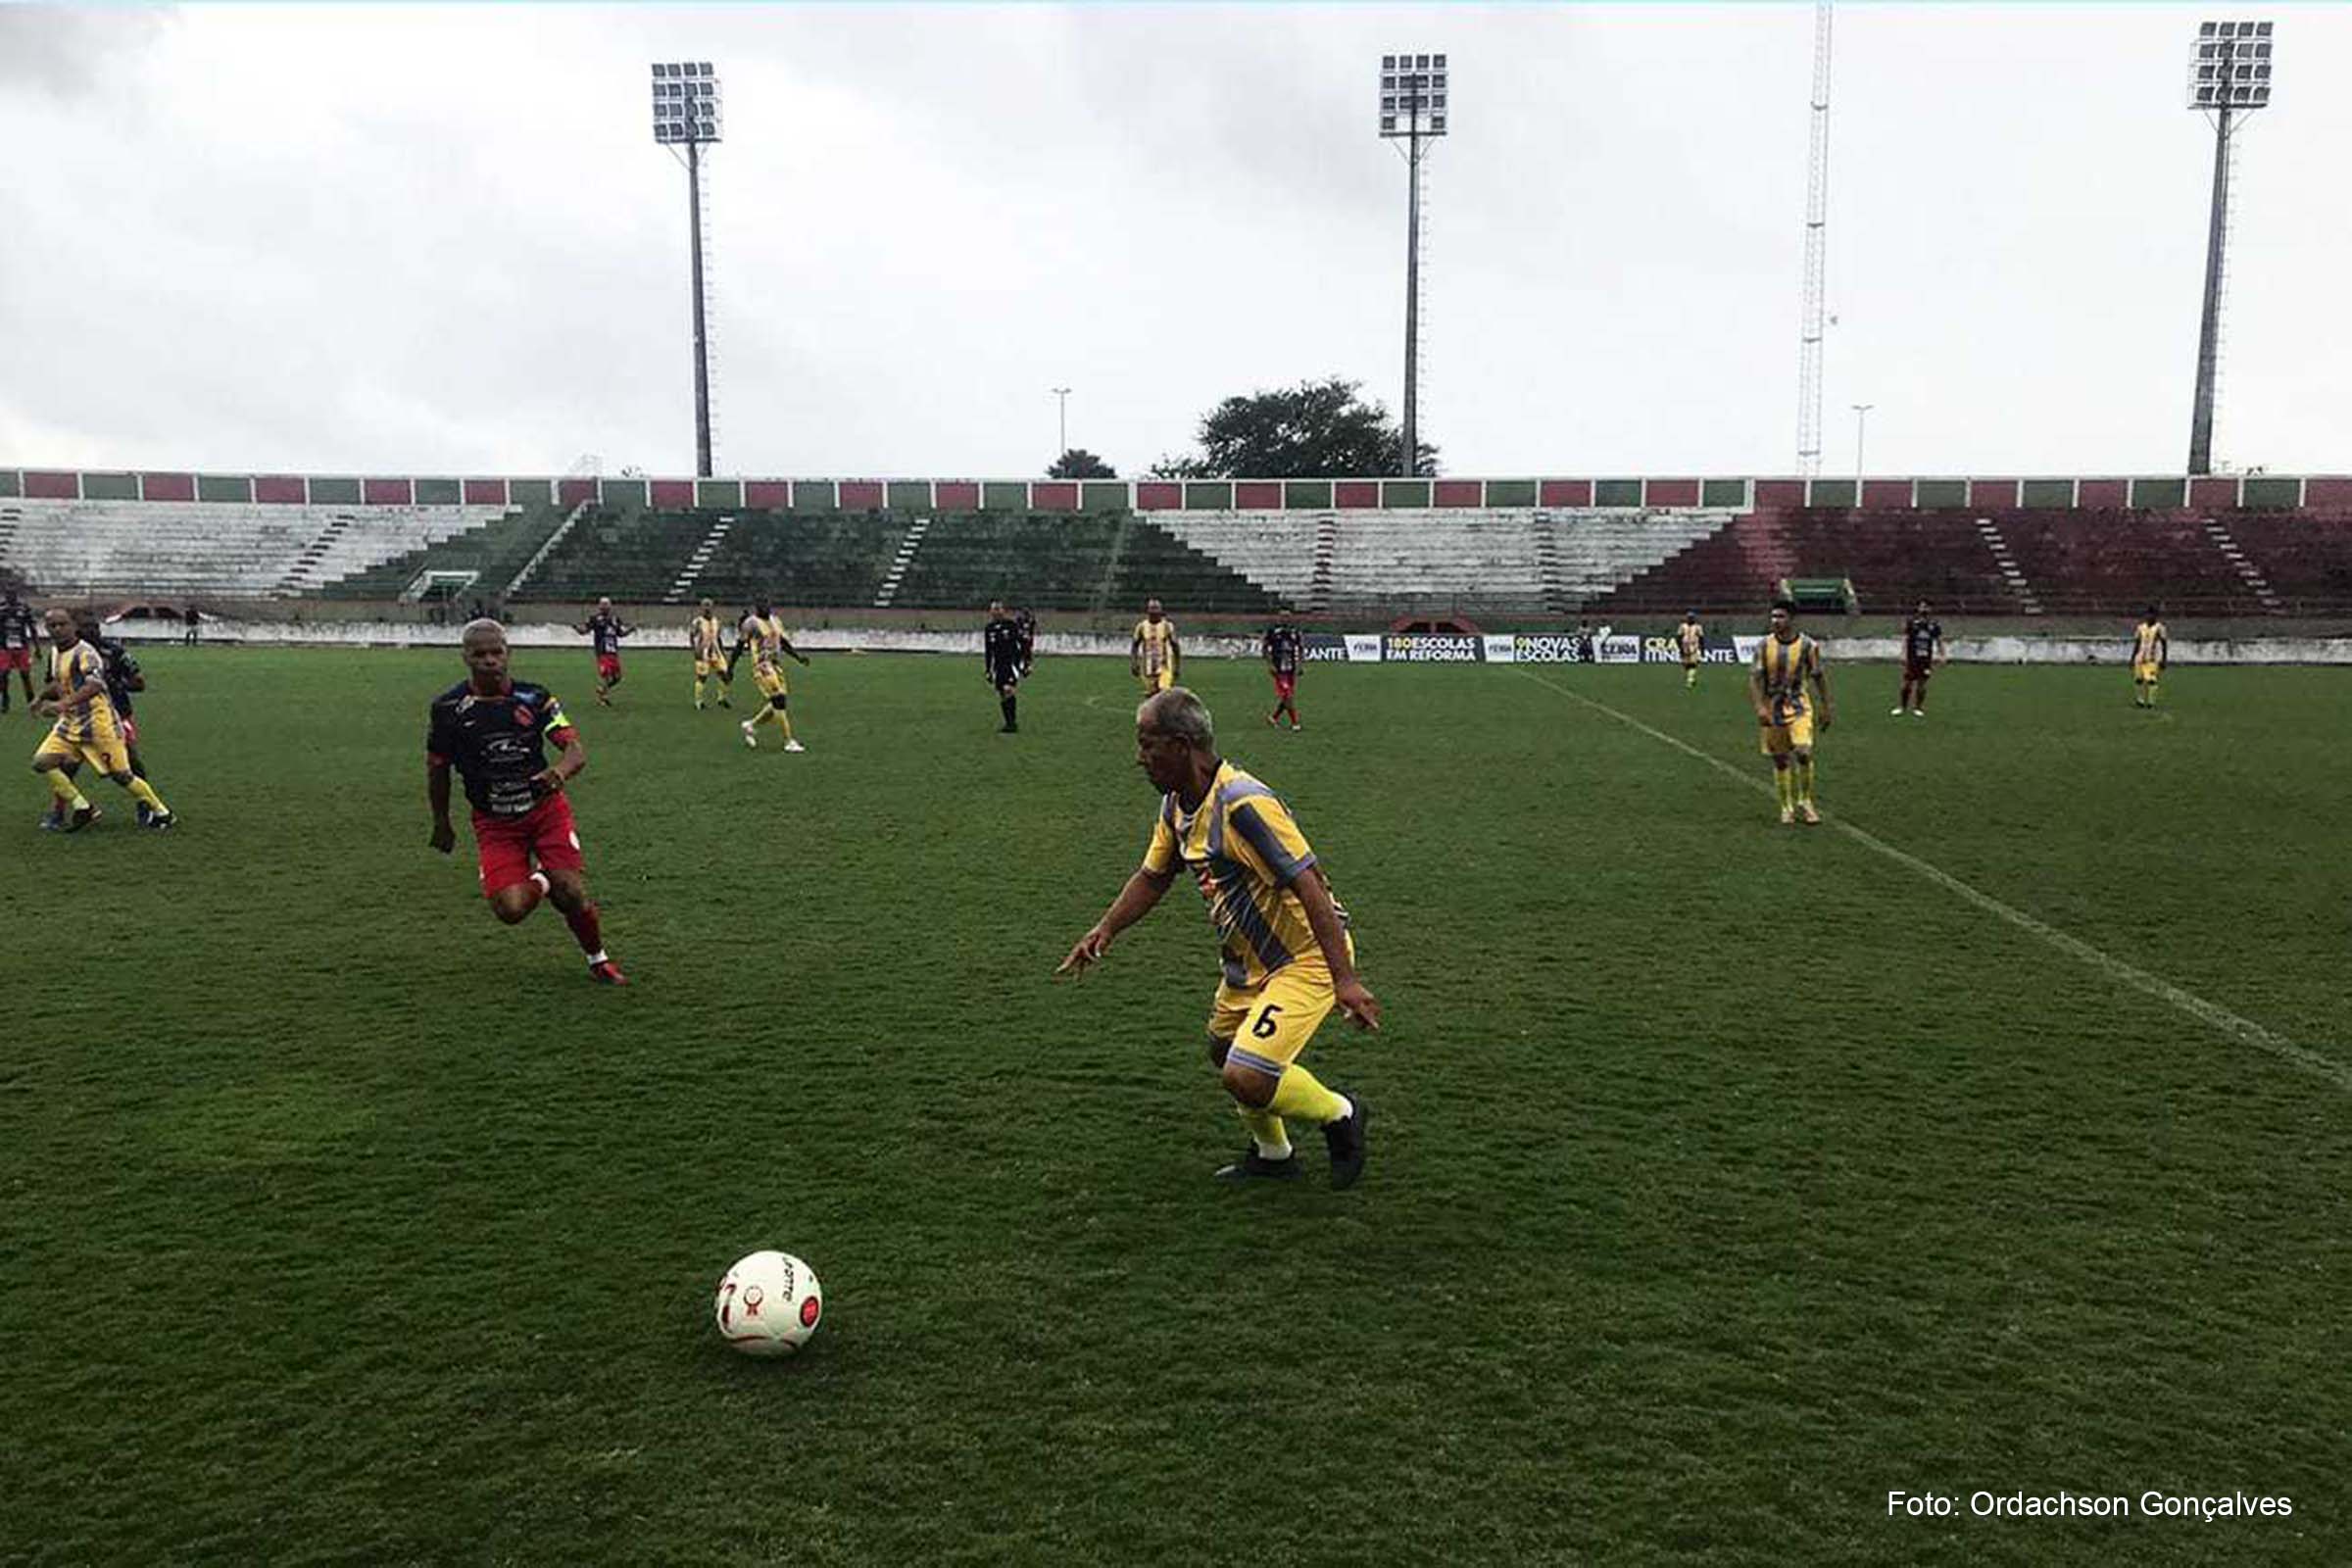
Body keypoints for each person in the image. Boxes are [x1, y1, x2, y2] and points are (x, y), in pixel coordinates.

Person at [1055, 687, 1379, 1188]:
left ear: (1183, 745)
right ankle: (1274, 1156)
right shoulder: (1176, 806)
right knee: (1224, 1053)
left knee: (1246, 1074)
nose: (1140, 757)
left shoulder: (1243, 803)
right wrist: (1105, 929)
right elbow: (1154, 876)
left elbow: (1308, 882)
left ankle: (1341, 1113)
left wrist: (1345, 979)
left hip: (1304, 958)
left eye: (1148, 744)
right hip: (1248, 965)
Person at [425, 618, 624, 984]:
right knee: (510, 909)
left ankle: (598, 959)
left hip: (544, 813)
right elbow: (437, 768)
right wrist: (441, 821)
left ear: (508, 654)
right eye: (479, 654)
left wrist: (559, 773)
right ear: (464, 657)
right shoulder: (447, 709)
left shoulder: (535, 698)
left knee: (574, 894)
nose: (489, 660)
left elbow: (575, 750)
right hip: (494, 822)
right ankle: (544, 880)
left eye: (496, 652)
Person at [30, 607, 173, 832]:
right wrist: (40, 698)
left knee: (123, 772)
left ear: (73, 627)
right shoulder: (56, 652)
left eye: (62, 624)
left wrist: (63, 703)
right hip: (71, 721)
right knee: (45, 762)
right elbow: (59, 682)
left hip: (102, 722)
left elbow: (98, 684)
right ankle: (78, 808)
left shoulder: (93, 652)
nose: (57, 629)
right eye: (52, 626)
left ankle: (157, 810)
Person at [1750, 597, 1833, 827]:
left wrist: (1827, 707)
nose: (1775, 620)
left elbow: (1818, 677)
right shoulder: (1764, 646)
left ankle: (1805, 801)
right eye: (1773, 616)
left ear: (1792, 619)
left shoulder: (1808, 646)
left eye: (1781, 616)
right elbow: (1755, 679)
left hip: (1799, 706)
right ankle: (1786, 807)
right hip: (1773, 707)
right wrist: (1759, 707)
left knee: (1803, 751)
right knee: (1780, 760)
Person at [738, 600, 810, 752]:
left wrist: (798, 657)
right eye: (762, 606)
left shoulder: (775, 620)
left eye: (768, 605)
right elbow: (739, 646)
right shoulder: (751, 623)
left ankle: (751, 725)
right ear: (757, 608)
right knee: (779, 700)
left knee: (777, 703)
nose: (766, 608)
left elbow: (783, 642)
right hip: (762, 665)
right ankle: (788, 741)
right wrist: (730, 668)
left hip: (776, 665)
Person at [574, 597, 633, 706]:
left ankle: (602, 689)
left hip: (613, 651)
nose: (605, 606)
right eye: (603, 604)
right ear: (599, 606)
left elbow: (621, 633)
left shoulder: (615, 619)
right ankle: (603, 698)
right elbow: (585, 630)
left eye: (607, 604)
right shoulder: (595, 619)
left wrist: (630, 630)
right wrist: (578, 629)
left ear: (610, 606)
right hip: (602, 651)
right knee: (606, 674)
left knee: (617, 677)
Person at [1893, 601, 1945, 717]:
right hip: (1912, 657)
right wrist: (1903, 654)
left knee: (1922, 683)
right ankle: (1902, 707)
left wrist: (1942, 655)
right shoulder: (1911, 622)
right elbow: (1906, 639)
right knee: (1907, 683)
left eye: (1927, 607)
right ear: (1918, 608)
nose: (1924, 609)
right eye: (1922, 606)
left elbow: (1939, 641)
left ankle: (1918, 708)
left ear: (1930, 609)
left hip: (1926, 658)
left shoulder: (1934, 625)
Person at [984, 600, 1026, 733]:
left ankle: (1012, 723)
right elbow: (988, 651)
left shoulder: (1011, 625)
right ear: (990, 612)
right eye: (994, 609)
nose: (996, 611)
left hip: (1011, 663)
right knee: (1002, 693)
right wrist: (988, 670)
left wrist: (1026, 663)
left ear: (1003, 611)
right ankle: (1009, 723)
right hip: (998, 665)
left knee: (1008, 689)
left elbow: (1022, 644)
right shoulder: (989, 629)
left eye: (998, 609)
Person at [1262, 607, 1304, 730]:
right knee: (1287, 695)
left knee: (1287, 696)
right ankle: (1295, 722)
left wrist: (1300, 665)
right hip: (1279, 670)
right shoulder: (1273, 631)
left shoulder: (1295, 632)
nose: (1285, 618)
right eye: (1282, 616)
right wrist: (1270, 665)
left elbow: (1301, 648)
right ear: (1279, 618)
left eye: (1287, 616)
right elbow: (1265, 649)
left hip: (1291, 669)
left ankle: (1273, 717)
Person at [689, 598, 732, 710]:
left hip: (716, 653)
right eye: (705, 605)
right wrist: (695, 650)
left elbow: (718, 638)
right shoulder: (698, 621)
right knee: (702, 678)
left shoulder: (716, 621)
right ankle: (698, 702)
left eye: (709, 605)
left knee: (725, 675)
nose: (707, 608)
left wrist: (723, 652)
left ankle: (721, 699)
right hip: (703, 654)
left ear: (713, 607)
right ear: (701, 607)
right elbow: (692, 636)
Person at [1131, 598, 1180, 695]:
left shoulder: (1167, 626)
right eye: (1152, 608)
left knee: (1164, 692)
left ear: (1161, 611)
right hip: (1148, 669)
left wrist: (1177, 666)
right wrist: (1134, 663)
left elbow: (1175, 646)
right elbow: (1135, 645)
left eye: (1156, 608)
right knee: (1153, 695)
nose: (1154, 611)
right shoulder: (1141, 626)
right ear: (1147, 611)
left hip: (1165, 667)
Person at [0, 587, 36, 711]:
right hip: (5, 647)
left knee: (25, 675)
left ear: (16, 595)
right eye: (8, 594)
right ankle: (5, 702)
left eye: (13, 594)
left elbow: (32, 627)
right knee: (3, 675)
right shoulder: (2, 608)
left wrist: (37, 647)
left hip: (22, 647)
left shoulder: (24, 608)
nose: (10, 597)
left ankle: (31, 702)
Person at [2132, 606, 2169, 709]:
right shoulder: (2140, 627)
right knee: (2139, 680)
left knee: (2151, 680)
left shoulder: (2160, 628)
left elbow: (2164, 644)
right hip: (2140, 658)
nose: (2149, 616)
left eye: (2152, 614)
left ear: (2156, 616)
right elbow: (2137, 643)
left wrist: (2164, 659)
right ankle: (2140, 700)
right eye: (2148, 614)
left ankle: (2151, 702)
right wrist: (2132, 657)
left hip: (2152, 659)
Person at [1674, 611, 1706, 691]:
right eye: (1689, 618)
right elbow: (1678, 637)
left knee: (1693, 664)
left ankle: (1690, 680)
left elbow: (1701, 638)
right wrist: (1680, 647)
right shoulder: (1683, 626)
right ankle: (1690, 678)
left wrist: (1702, 649)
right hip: (1685, 647)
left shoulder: (1697, 627)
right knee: (1687, 665)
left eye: (1691, 618)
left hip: (1693, 647)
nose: (1690, 619)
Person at [1013, 606, 1037, 679]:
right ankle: (1021, 668)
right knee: (1020, 655)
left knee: (1027, 655)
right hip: (1021, 641)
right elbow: (1017, 630)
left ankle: (1026, 668)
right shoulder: (1019, 621)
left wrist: (1030, 638)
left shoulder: (1031, 621)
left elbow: (1032, 631)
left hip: (1027, 642)